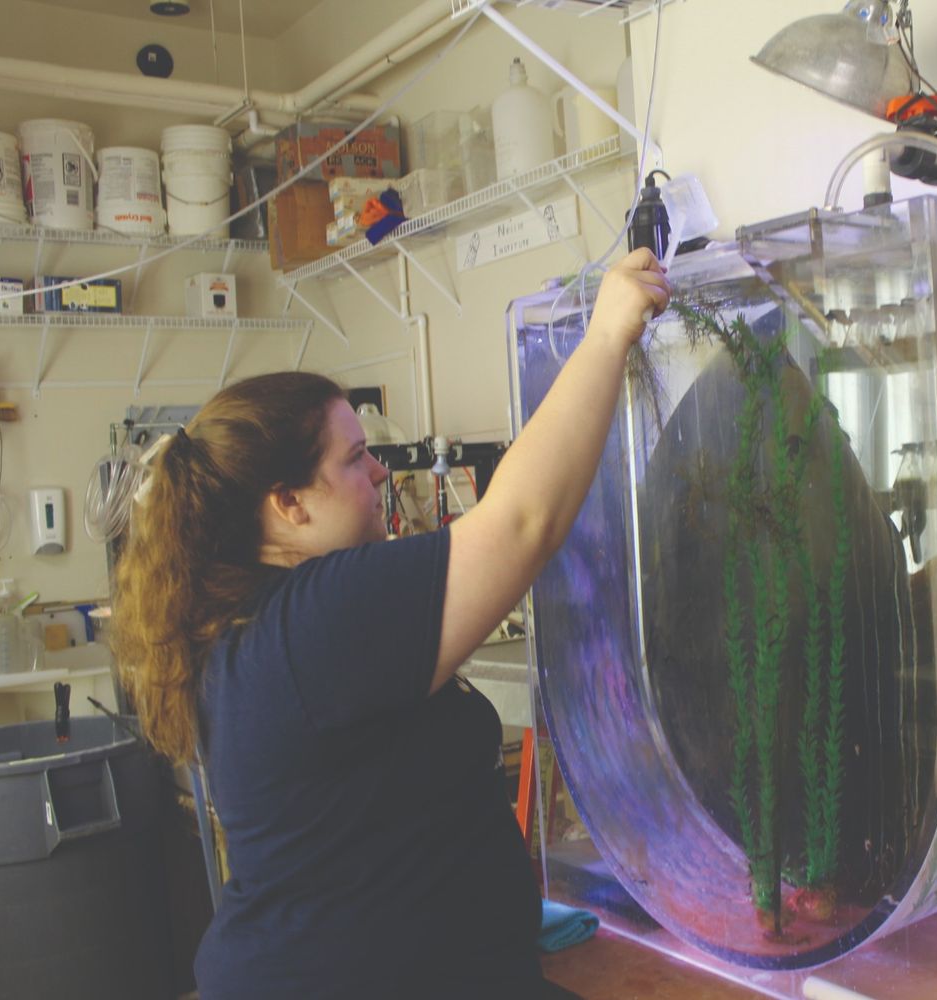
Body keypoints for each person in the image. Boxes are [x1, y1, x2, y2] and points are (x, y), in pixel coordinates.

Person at [112, 249, 670, 999]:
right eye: (356, 458)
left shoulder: (250, 623)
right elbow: (521, 525)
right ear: (289, 503)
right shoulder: (313, 618)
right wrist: (606, 335)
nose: (380, 473)